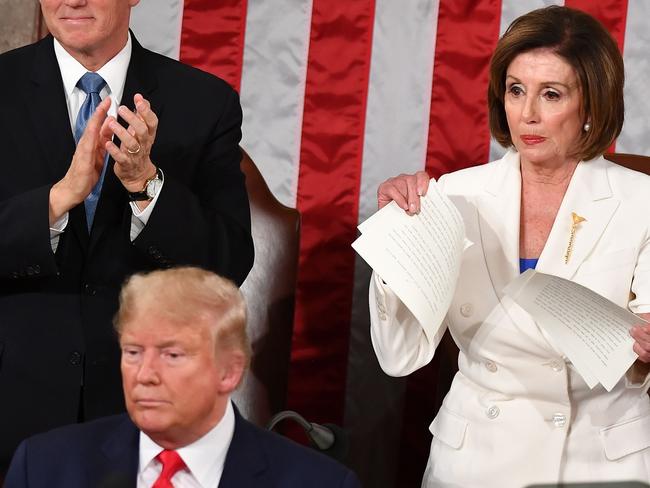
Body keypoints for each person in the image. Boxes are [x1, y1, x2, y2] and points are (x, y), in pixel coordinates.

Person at [371, 6, 650, 487]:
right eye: (516, 90)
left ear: (592, 104)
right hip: (474, 458)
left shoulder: (641, 201)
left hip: (598, 461)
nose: (528, 115)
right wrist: (399, 239)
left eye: (552, 94)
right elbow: (400, 356)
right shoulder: (452, 195)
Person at [0, 0, 254, 474]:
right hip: (11, 408)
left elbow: (228, 264)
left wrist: (146, 185)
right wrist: (57, 201)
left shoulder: (203, 102)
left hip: (144, 412)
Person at [4, 267, 361, 488]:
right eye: (133, 352)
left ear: (230, 371)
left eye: (172, 355)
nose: (145, 375)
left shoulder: (319, 483)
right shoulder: (44, 467)